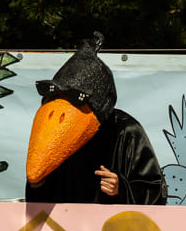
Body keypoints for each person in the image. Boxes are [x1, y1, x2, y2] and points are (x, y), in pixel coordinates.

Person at [24, 32, 167, 205]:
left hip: (111, 222)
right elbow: (41, 194)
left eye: (75, 99)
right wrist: (37, 185)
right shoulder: (54, 128)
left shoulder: (125, 130)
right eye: (58, 97)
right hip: (65, 219)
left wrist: (121, 188)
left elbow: (154, 190)